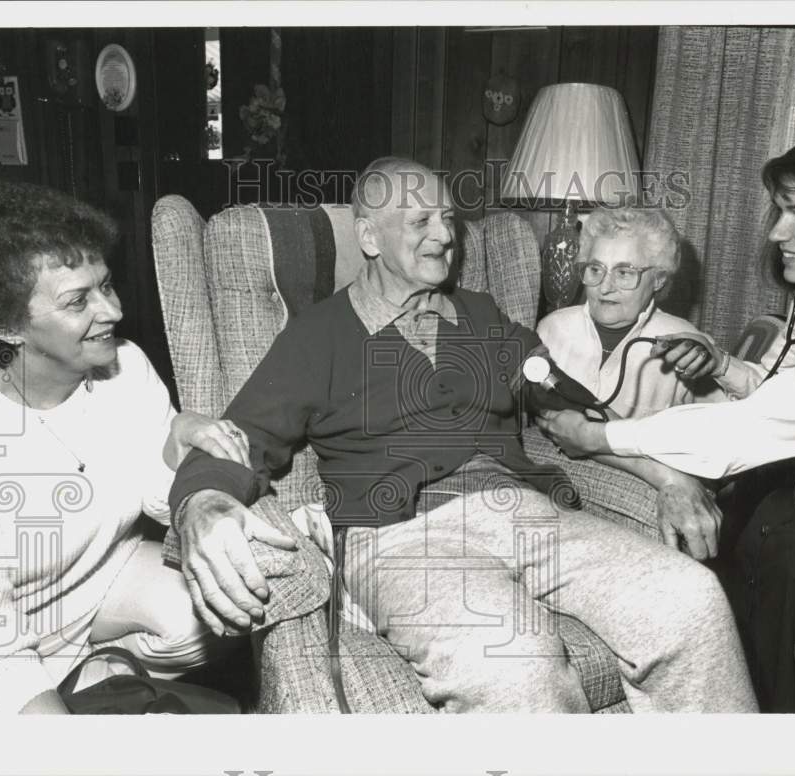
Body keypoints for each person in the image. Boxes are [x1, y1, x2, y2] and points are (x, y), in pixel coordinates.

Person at [168, 156, 758, 713]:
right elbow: (239, 436)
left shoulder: (481, 315)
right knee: (514, 661)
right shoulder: (317, 335)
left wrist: (669, 476)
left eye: (448, 219)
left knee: (693, 601)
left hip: (526, 513)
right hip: (400, 539)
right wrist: (202, 503)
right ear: (370, 238)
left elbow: (570, 415)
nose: (444, 235)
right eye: (420, 221)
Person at [536, 114, 795, 712]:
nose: (778, 232)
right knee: (747, 524)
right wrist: (722, 366)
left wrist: (600, 438)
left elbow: (762, 424)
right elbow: (776, 386)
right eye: (779, 211)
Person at [0, 183, 251, 714]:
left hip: (103, 585)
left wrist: (179, 453)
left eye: (106, 286)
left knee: (220, 607)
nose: (112, 310)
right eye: (77, 301)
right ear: (5, 326)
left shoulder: (126, 365)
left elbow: (161, 501)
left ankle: (99, 665)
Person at [536, 206, 725, 559]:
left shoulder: (686, 344)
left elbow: (717, 444)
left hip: (633, 500)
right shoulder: (552, 329)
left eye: (625, 272)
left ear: (659, 279)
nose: (605, 286)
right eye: (595, 269)